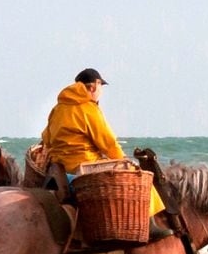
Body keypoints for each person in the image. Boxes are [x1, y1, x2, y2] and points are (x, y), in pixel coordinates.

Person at [40, 68, 170, 239]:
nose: (101, 92)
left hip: (62, 171)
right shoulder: (88, 109)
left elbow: (46, 138)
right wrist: (123, 160)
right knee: (139, 176)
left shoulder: (57, 109)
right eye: (101, 86)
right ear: (94, 86)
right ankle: (149, 225)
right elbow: (108, 143)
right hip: (84, 167)